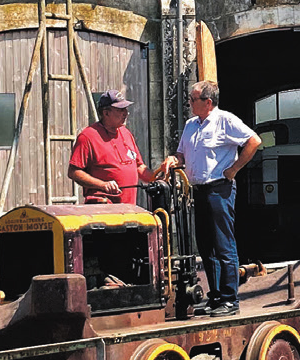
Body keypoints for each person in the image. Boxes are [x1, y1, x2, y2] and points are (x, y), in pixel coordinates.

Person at [162, 80, 260, 316]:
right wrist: (174, 160)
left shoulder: (225, 120)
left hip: (219, 189)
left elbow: (254, 141)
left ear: (208, 102)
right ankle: (215, 296)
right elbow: (182, 154)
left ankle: (230, 299)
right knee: (206, 245)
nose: (189, 103)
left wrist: (234, 169)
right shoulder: (190, 125)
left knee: (223, 244)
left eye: (192, 99)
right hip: (198, 190)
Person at [67, 90, 159, 206]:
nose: (126, 113)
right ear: (106, 113)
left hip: (128, 208)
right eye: (120, 110)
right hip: (103, 208)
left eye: (125, 109)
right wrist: (102, 184)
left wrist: (159, 179)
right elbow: (74, 172)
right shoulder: (87, 136)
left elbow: (139, 167)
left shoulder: (126, 133)